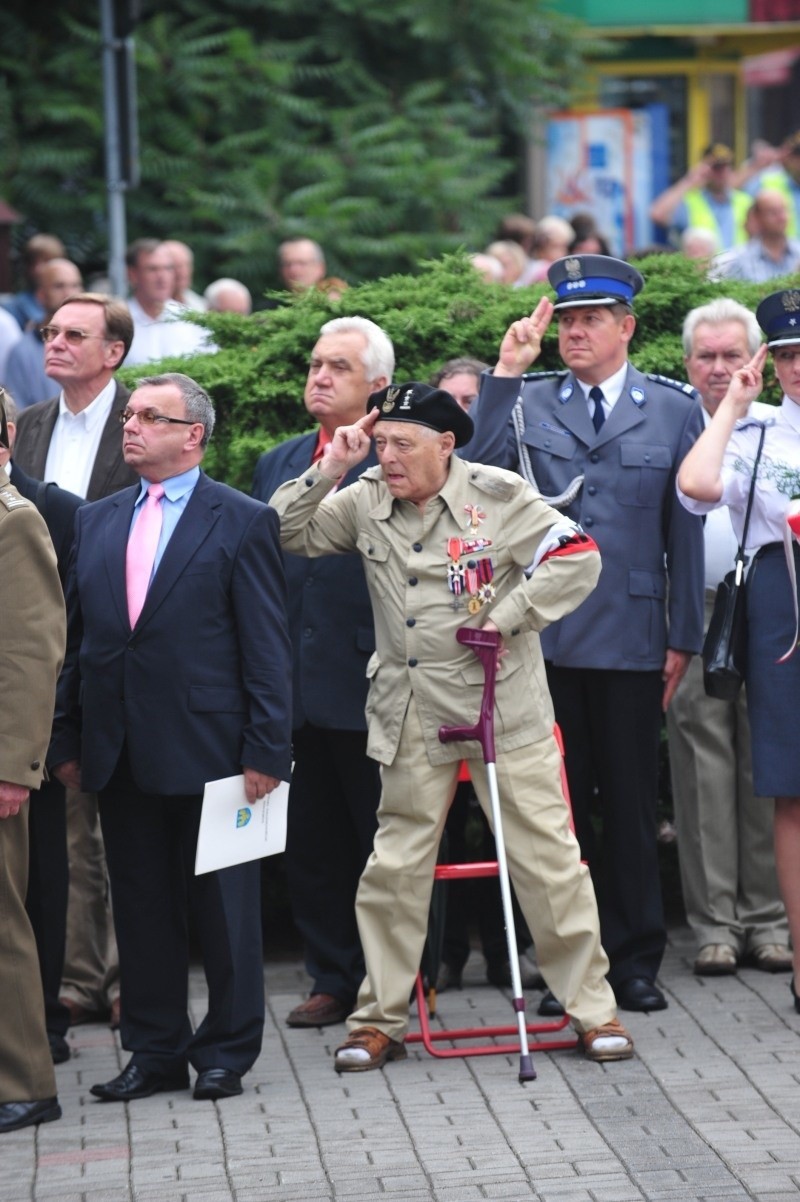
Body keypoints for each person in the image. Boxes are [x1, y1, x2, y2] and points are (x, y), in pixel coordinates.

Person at [270, 380, 635, 1070]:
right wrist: (332, 466)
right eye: (381, 442)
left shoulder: (495, 495)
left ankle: (593, 1010)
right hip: (409, 711)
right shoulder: (365, 493)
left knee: (549, 865)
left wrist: (505, 618)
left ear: (445, 444)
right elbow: (287, 533)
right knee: (395, 870)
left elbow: (576, 556)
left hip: (501, 707)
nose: (388, 456)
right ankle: (378, 1018)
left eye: (401, 444)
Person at [461, 254, 705, 1014]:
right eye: (566, 321)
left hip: (633, 636)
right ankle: (567, 963)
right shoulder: (529, 400)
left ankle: (633, 962)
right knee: (554, 814)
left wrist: (683, 635)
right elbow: (474, 467)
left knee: (630, 807)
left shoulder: (671, 408)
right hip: (546, 637)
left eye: (590, 319)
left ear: (626, 327)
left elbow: (685, 533)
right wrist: (505, 371)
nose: (574, 333)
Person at [50, 372, 292, 1101]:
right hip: (120, 749)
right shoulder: (98, 519)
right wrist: (67, 737)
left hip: (218, 751)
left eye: (150, 417)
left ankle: (225, 1050)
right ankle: (153, 1050)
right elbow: (80, 637)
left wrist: (266, 749)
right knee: (143, 909)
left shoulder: (243, 518)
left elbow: (267, 645)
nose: (131, 426)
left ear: (193, 435)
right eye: (129, 415)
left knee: (225, 914)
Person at [252, 316, 392, 1028]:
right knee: (311, 846)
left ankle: (398, 980)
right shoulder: (278, 463)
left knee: (383, 842)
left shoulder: (399, 458)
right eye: (315, 364)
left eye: (338, 366)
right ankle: (331, 976)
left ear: (378, 386)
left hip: (371, 681)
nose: (320, 376)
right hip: (293, 688)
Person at [13, 291, 138, 1032]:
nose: (54, 343)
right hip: (40, 645)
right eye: (50, 332)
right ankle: (76, 978)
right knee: (61, 827)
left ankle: (130, 976)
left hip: (115, 642)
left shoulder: (142, 423)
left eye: (73, 334)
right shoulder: (27, 426)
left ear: (112, 351)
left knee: (116, 816)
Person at [677, 289, 800, 1012]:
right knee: (789, 791)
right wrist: (733, 405)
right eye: (784, 355)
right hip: (781, 610)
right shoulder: (757, 433)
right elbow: (695, 487)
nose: (794, 368)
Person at [0, 389, 84, 1065]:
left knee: (17, 917)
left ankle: (27, 1067)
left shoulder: (24, 517)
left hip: (14, 753)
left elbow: (35, 651)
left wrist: (16, 762)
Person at [4, 258, 83, 409]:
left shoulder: (96, 342)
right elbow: (16, 417)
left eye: (75, 285)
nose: (69, 293)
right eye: (59, 286)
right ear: (41, 295)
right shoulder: (21, 353)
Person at [650, 143, 752, 252]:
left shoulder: (745, 201)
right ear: (704, 169)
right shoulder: (690, 202)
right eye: (716, 168)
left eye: (726, 166)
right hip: (703, 267)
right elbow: (657, 214)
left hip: (739, 267)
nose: (722, 173)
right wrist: (690, 180)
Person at [125, 239, 211, 365]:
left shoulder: (193, 321)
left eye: (168, 268)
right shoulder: (118, 321)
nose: (162, 277)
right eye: (153, 269)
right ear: (132, 274)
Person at [714, 191, 800, 283]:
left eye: (783, 211)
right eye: (773, 212)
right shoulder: (739, 260)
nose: (781, 218)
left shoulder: (798, 252)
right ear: (757, 218)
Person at [735, 130, 800, 238]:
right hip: (780, 253)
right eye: (797, 154)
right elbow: (731, 192)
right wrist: (758, 165)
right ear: (788, 156)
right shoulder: (769, 182)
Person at [1, 233, 66, 330]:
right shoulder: (12, 309)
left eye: (46, 261)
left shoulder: (71, 303)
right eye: (33, 262)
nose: (38, 269)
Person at [161, 239, 207, 311]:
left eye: (186, 265)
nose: (183, 272)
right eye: (175, 266)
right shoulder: (153, 305)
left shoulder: (198, 303)